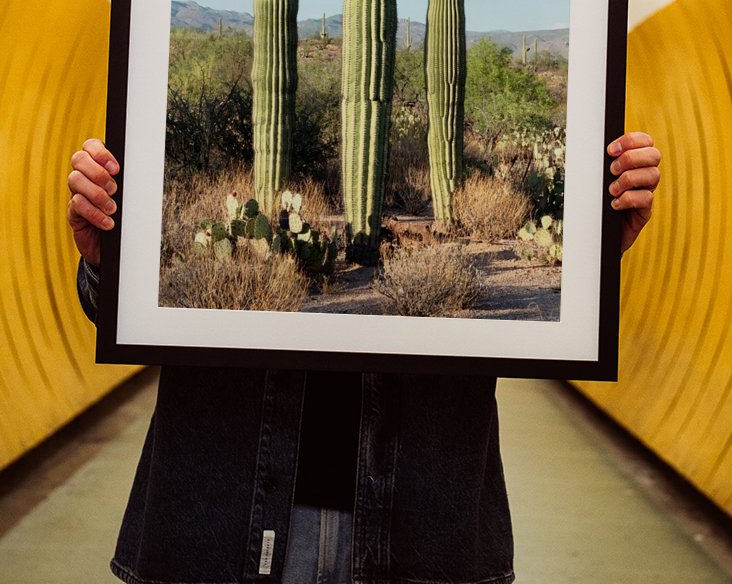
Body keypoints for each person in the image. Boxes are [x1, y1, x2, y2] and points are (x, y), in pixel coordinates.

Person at [68, 132, 661, 584]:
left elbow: (558, 319)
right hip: (221, 516)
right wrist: (109, 262)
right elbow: (123, 312)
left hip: (422, 524)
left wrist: (593, 256)